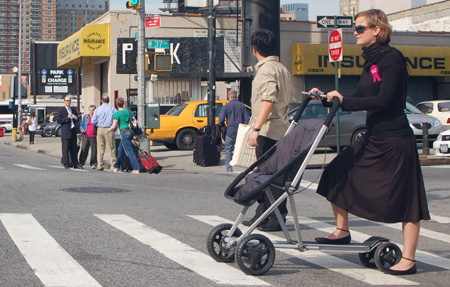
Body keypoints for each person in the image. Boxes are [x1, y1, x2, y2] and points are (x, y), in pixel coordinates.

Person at [310, 9, 430, 276]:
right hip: (373, 137)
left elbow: (385, 100)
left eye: (360, 28)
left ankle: (408, 259)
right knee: (335, 171)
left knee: (408, 200)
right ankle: (342, 231)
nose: (355, 32)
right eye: (355, 28)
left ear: (377, 30)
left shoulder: (392, 59)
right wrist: (328, 99)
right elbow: (360, 96)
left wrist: (344, 99)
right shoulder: (370, 61)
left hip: (395, 140)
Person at [243, 28, 292, 232]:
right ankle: (265, 216)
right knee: (272, 175)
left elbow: (268, 99)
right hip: (282, 129)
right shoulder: (282, 68)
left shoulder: (265, 70)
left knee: (267, 175)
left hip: (269, 131)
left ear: (254, 49)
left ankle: (273, 217)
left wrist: (256, 128)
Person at [107, 97, 140, 174]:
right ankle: (116, 166)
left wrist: (108, 130)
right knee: (121, 150)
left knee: (129, 150)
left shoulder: (117, 113)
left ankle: (136, 168)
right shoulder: (129, 111)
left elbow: (114, 125)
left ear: (116, 104)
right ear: (123, 103)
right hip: (130, 131)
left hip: (123, 132)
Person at [219, 89, 250, 172]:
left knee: (228, 149)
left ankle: (229, 168)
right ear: (237, 96)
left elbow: (221, 120)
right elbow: (247, 119)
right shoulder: (242, 106)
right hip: (240, 131)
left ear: (229, 96)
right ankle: (245, 166)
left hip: (230, 131)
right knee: (241, 149)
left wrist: (223, 126)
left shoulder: (226, 106)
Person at [91, 95, 117, 171]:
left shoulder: (98, 109)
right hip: (109, 128)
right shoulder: (112, 109)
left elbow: (93, 121)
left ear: (101, 101)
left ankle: (100, 165)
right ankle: (113, 165)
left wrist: (98, 124)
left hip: (100, 129)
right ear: (109, 101)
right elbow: (116, 118)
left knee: (100, 148)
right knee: (111, 148)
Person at [57, 96, 82, 169]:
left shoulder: (73, 110)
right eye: (67, 101)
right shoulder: (62, 110)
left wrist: (76, 118)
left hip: (73, 131)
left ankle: (75, 163)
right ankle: (66, 163)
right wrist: (67, 117)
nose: (68, 102)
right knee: (65, 149)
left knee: (73, 149)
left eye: (69, 101)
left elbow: (77, 119)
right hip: (65, 132)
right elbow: (59, 120)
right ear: (64, 101)